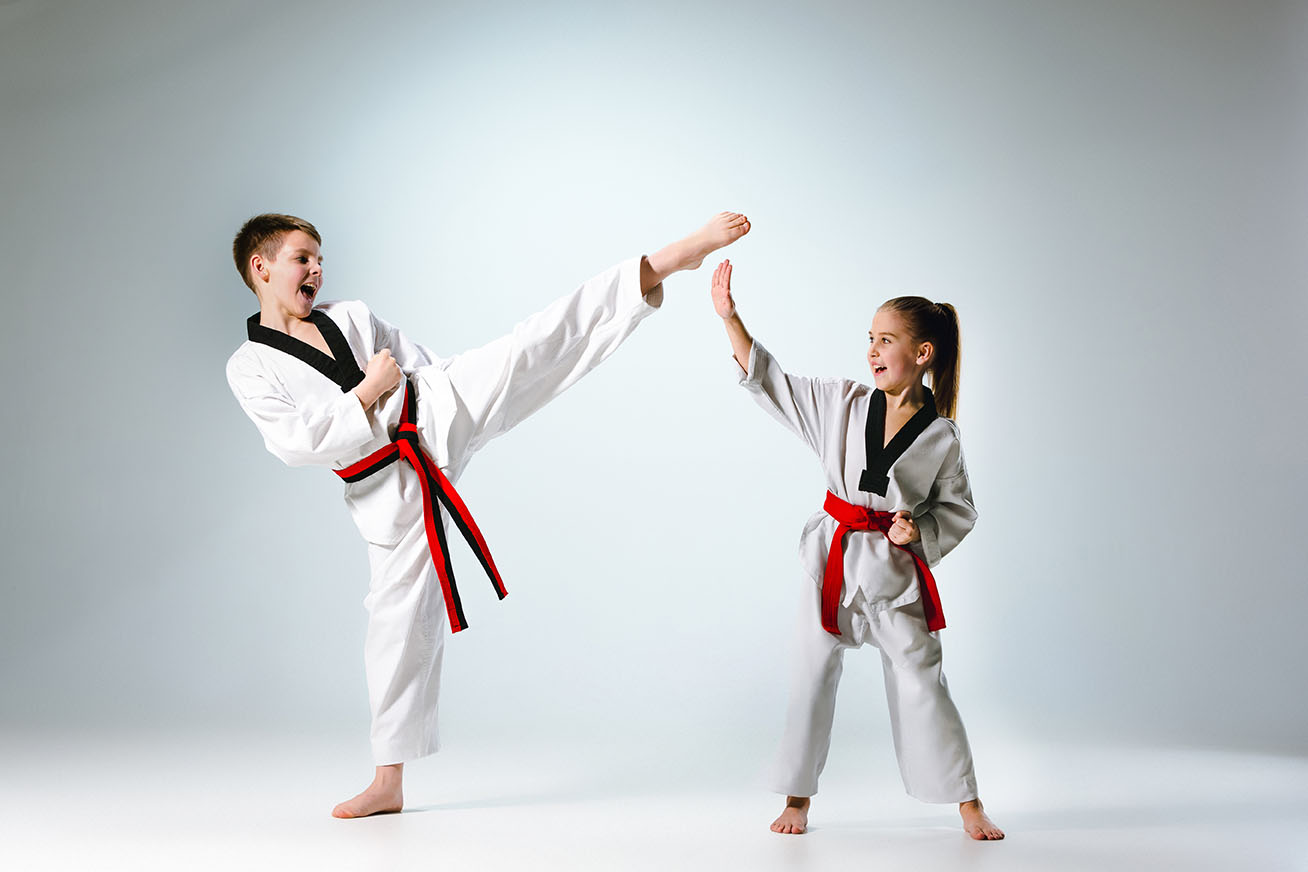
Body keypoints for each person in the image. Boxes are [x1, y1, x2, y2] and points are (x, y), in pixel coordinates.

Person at [226, 211, 750, 818]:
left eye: (320, 256)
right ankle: (388, 781)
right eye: (302, 258)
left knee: (532, 347)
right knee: (393, 624)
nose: (317, 268)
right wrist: (367, 393)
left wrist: (438, 386)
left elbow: (411, 358)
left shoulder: (349, 315)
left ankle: (662, 263)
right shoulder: (250, 366)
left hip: (437, 408)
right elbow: (297, 442)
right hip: (385, 487)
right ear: (261, 268)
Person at [709, 259, 1003, 840]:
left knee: (923, 679)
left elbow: (958, 509)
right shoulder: (843, 403)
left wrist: (919, 531)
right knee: (811, 674)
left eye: (886, 340)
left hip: (895, 574)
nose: (872, 350)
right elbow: (773, 382)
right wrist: (730, 318)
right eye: (869, 339)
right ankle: (798, 798)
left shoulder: (942, 436)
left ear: (922, 354)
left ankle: (967, 803)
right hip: (832, 563)